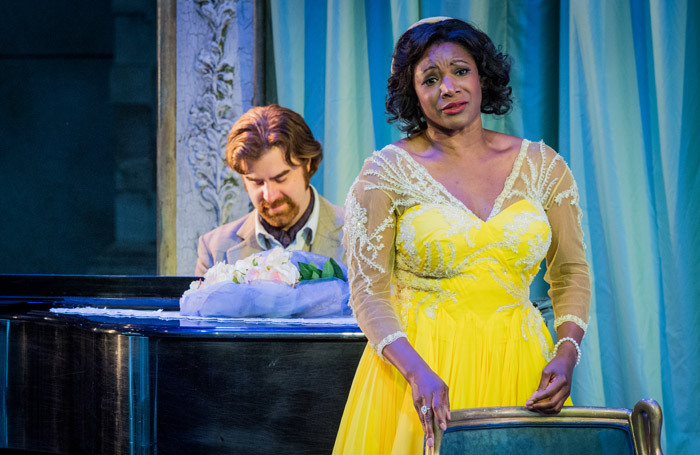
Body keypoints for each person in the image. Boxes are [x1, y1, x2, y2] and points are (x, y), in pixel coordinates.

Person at [333, 18, 590, 454]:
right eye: (430, 79)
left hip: (520, 366)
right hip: (419, 375)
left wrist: (566, 353)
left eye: (460, 71)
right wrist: (416, 373)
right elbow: (367, 293)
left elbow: (571, 273)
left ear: (483, 75)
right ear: (412, 93)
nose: (447, 88)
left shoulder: (544, 166)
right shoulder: (384, 174)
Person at [195, 105, 345, 276]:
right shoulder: (215, 249)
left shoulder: (361, 235)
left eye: (280, 178)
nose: (270, 196)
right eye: (256, 182)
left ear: (307, 164)